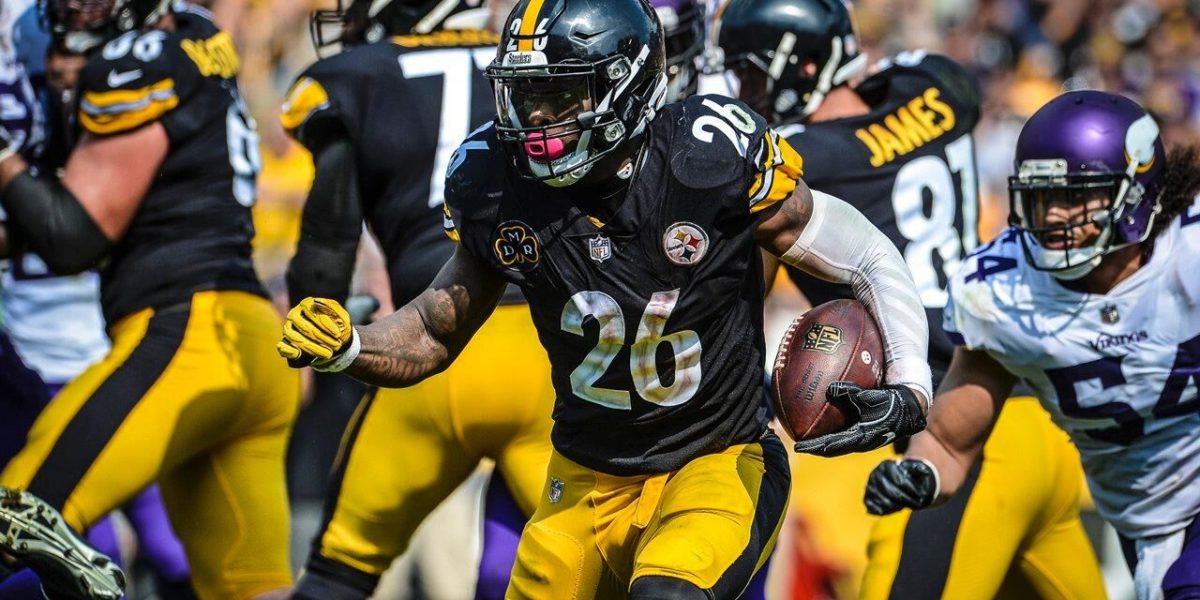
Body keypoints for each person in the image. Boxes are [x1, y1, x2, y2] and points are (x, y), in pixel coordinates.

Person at [277, 0, 934, 597]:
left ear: (628, 83)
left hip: (713, 462)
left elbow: (867, 255)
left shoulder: (706, 159)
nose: (534, 118)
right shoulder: (494, 179)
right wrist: (350, 346)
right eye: (525, 94)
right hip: (583, 479)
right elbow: (433, 329)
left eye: (559, 95)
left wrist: (910, 385)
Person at [716, 1, 1108, 597]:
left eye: (748, 74)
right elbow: (919, 87)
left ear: (795, 67)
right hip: (1039, 420)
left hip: (953, 435)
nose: (743, 91)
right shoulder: (937, 86)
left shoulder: (796, 163)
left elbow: (738, 296)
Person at [0, 0, 299, 598]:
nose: (70, 14)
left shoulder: (138, 63)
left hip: (186, 337)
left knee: (15, 519)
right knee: (251, 587)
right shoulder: (194, 35)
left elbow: (70, 237)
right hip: (252, 342)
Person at [864, 90, 1200, 600]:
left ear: (1136, 192)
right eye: (1046, 198)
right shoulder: (1005, 294)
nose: (1057, 217)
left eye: (1076, 196)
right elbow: (953, 444)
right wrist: (922, 475)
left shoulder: (1189, 253)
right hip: (1151, 522)